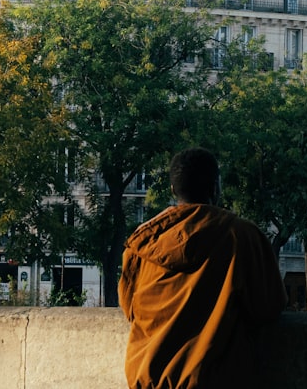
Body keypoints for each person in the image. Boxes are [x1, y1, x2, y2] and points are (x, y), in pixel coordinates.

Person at [119, 147, 286, 388]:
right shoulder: (240, 236)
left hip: (147, 379)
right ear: (215, 187)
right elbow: (269, 306)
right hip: (212, 379)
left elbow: (129, 309)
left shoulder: (141, 243)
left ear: (173, 190)